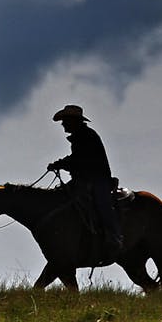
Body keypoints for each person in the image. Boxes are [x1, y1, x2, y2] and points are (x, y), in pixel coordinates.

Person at [45, 104, 123, 263]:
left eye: (65, 121)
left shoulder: (86, 136)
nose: (62, 124)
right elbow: (78, 159)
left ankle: (115, 236)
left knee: (103, 204)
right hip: (85, 180)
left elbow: (81, 160)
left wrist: (61, 163)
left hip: (97, 179)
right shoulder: (82, 136)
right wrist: (62, 163)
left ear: (73, 121)